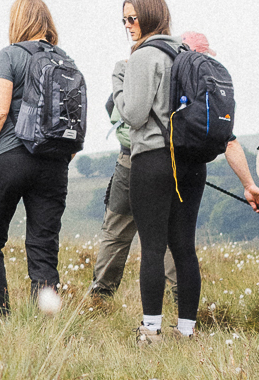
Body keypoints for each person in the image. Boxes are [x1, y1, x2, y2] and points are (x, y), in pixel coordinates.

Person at [114, 0, 259, 343]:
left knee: (152, 247)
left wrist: (118, 82)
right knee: (184, 247)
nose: (128, 26)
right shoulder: (185, 53)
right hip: (191, 161)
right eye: (124, 20)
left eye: (133, 18)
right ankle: (187, 331)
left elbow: (134, 115)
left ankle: (151, 329)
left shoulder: (144, 56)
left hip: (153, 159)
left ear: (150, 16)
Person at [0, 0, 75, 314]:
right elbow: (74, 120)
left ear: (18, 21)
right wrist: (62, 158)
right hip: (54, 163)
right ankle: (45, 323)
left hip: (11, 157)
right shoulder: (66, 61)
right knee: (43, 247)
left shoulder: (10, 55)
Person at [88, 31, 222, 299]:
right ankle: (176, 295)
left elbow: (119, 113)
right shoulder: (184, 75)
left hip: (137, 159)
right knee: (168, 234)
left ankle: (101, 296)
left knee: (118, 231)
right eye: (202, 53)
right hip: (159, 162)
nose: (203, 59)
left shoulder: (148, 64)